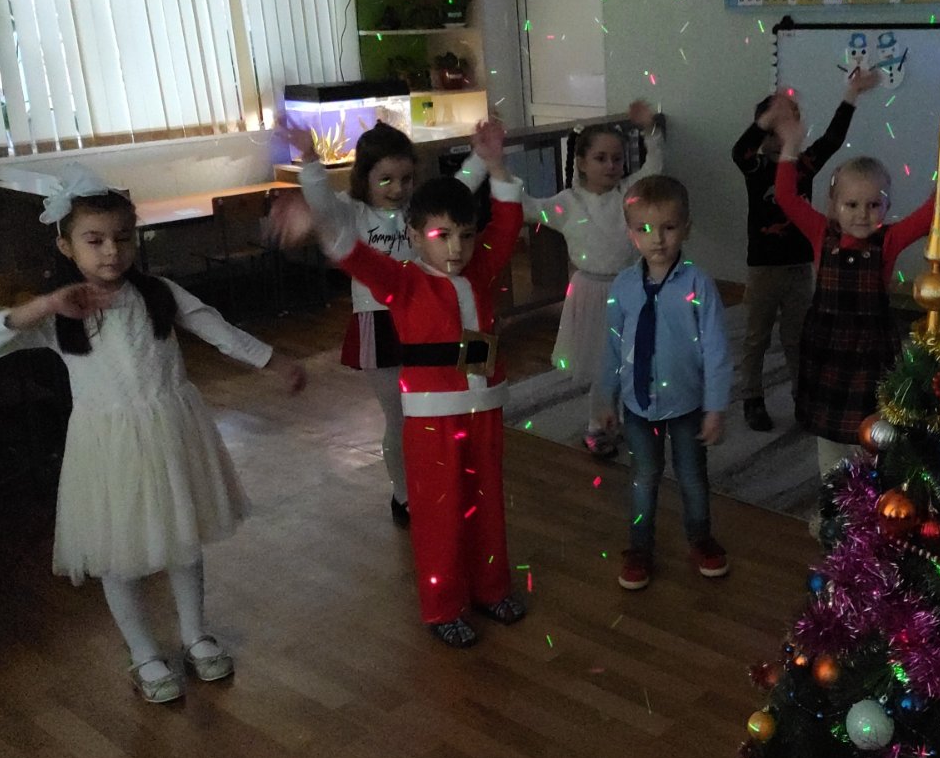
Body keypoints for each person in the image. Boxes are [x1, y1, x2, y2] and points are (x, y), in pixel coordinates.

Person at [0, 165, 307, 704]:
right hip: (108, 446)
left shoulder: (158, 293)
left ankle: (195, 634)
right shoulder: (59, 314)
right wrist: (46, 305)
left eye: (122, 238)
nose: (111, 251)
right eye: (94, 240)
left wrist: (273, 360)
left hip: (172, 433)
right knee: (117, 551)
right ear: (65, 246)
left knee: (184, 538)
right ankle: (143, 652)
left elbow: (217, 328)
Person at [275, 119, 525, 648]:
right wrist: (315, 223)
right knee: (439, 513)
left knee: (487, 503)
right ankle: (442, 606)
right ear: (415, 236)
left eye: (465, 235)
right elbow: (352, 251)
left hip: (484, 409)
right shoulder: (402, 281)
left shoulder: (480, 269)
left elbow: (505, 221)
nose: (455, 249)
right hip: (432, 422)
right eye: (440, 236)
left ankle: (491, 587)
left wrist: (496, 164)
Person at [773, 115, 940, 480]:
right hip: (827, 352)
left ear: (886, 205)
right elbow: (786, 196)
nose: (862, 214)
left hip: (870, 355)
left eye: (874, 205)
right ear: (833, 205)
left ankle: (869, 493)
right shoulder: (820, 233)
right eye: (851, 205)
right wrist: (790, 148)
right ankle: (833, 493)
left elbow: (931, 213)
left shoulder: (887, 241)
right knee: (829, 439)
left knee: (873, 435)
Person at [482, 102, 663, 459]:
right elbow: (526, 205)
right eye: (601, 158)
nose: (611, 165)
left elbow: (654, 166)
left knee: (633, 360)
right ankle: (599, 424)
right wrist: (496, 165)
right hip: (591, 294)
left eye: (617, 158)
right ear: (581, 161)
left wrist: (650, 130)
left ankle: (628, 419)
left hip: (631, 289)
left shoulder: (630, 195)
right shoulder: (568, 203)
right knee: (602, 365)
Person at [595, 176, 732, 590]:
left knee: (692, 476)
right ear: (630, 233)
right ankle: (639, 547)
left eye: (668, 227)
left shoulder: (698, 285)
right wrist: (606, 397)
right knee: (644, 476)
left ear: (686, 228)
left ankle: (700, 537)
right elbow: (613, 345)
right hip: (638, 405)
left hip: (687, 403)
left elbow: (716, 350)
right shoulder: (623, 286)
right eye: (644, 229)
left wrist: (715, 407)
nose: (657, 239)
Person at [731, 68, 880, 431]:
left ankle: (804, 395)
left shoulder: (803, 166)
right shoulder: (756, 166)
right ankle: (752, 397)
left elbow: (832, 138)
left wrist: (851, 95)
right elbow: (740, 151)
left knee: (798, 337)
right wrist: (768, 119)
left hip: (798, 266)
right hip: (764, 268)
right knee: (756, 337)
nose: (789, 129)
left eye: (794, 121)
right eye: (780, 125)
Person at [296, 121, 418, 524]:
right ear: (364, 177)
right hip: (379, 324)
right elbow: (321, 205)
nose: (397, 189)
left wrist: (483, 160)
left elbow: (461, 190)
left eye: (406, 179)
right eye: (385, 179)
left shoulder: (417, 212)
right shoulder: (352, 211)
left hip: (421, 319)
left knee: (426, 411)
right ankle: (403, 495)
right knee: (398, 416)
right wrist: (310, 160)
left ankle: (429, 483)